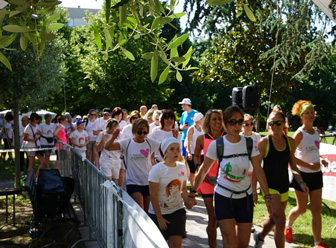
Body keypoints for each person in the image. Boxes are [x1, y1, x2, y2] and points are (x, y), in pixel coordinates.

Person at [191, 105, 273, 248]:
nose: (237, 125)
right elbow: (203, 170)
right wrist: (192, 193)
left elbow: (258, 170)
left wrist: (267, 196)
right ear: (225, 123)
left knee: (243, 243)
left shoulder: (248, 143)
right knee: (229, 241)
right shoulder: (218, 144)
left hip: (244, 197)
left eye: (240, 121)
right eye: (232, 122)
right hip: (224, 196)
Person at [254, 109, 308, 248]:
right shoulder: (264, 142)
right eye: (271, 123)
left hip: (283, 185)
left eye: (277, 123)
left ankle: (260, 236)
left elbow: (294, 167)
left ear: (284, 124)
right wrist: (254, 190)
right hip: (269, 187)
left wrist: (301, 182)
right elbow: (256, 169)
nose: (274, 126)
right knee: (280, 220)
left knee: (274, 219)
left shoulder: (290, 142)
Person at [285, 100, 329, 248]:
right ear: (301, 116)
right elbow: (290, 157)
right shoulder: (299, 133)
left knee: (316, 211)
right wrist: (308, 165)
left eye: (312, 112)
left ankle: (318, 243)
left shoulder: (316, 132)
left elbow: (314, 151)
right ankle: (288, 225)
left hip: (316, 175)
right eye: (307, 113)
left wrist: (320, 160)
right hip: (302, 175)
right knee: (302, 209)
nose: (310, 115)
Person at [148, 137, 196, 248]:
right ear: (165, 152)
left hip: (177, 211)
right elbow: (153, 195)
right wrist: (159, 218)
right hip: (158, 213)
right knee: (160, 245)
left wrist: (187, 200)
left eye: (178, 149)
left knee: (176, 244)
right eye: (172, 149)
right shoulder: (157, 170)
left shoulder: (182, 167)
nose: (176, 152)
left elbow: (183, 189)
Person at [105, 119, 160, 212]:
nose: (142, 135)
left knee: (147, 211)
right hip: (133, 182)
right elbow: (108, 147)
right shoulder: (127, 143)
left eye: (145, 132)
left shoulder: (150, 143)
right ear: (134, 131)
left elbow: (165, 148)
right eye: (139, 132)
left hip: (147, 182)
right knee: (140, 209)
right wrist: (113, 137)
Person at [192, 109, 225, 248]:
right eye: (214, 119)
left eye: (219, 119)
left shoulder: (228, 137)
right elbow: (196, 156)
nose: (217, 122)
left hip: (223, 180)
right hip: (207, 181)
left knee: (219, 218)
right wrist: (199, 169)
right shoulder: (202, 138)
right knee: (213, 217)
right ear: (208, 122)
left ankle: (210, 230)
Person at [240, 114, 261, 200]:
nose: (250, 126)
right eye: (247, 124)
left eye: (251, 123)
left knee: (252, 188)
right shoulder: (239, 137)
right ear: (242, 125)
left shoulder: (257, 136)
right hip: (243, 167)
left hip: (254, 167)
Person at [96, 119, 121, 184]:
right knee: (108, 181)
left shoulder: (119, 134)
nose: (113, 131)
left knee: (114, 181)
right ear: (107, 127)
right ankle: (107, 194)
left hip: (116, 160)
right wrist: (103, 140)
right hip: (106, 160)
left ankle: (113, 194)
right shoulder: (102, 134)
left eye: (115, 129)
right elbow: (97, 149)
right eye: (111, 129)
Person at [23, 113, 46, 178]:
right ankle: (28, 178)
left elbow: (40, 134)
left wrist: (39, 133)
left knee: (43, 161)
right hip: (31, 146)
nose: (38, 120)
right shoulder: (28, 127)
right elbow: (25, 138)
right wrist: (33, 140)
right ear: (34, 119)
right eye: (37, 119)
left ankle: (36, 176)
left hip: (37, 146)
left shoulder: (37, 126)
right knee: (31, 163)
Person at [186, 112, 204, 186]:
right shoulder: (191, 129)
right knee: (192, 172)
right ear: (199, 120)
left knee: (200, 171)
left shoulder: (203, 129)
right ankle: (193, 187)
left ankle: (199, 186)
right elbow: (188, 141)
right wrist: (189, 152)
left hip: (201, 153)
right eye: (202, 119)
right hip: (193, 153)